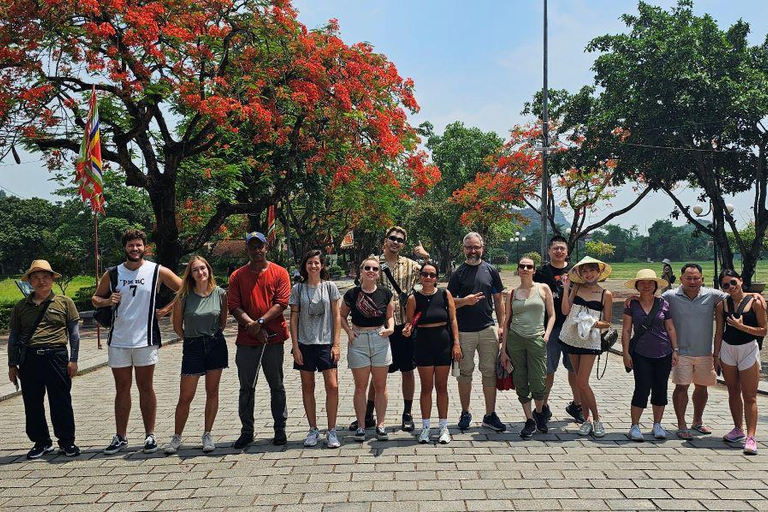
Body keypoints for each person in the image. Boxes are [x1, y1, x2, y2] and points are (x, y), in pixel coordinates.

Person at [93, 229, 181, 454]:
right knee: (122, 388)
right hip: (119, 339)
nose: (135, 249)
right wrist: (106, 301)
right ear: (125, 247)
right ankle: (120, 436)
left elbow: (184, 288)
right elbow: (95, 298)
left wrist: (166, 310)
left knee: (145, 387)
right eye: (131, 245)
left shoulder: (156, 270)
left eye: (139, 245)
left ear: (145, 247)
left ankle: (149, 435)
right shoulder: (113, 273)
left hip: (146, 338)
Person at [349, 226, 429, 432]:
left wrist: (426, 257)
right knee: (377, 374)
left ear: (404, 244)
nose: (396, 242)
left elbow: (430, 277)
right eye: (392, 238)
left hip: (404, 326)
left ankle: (407, 413)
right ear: (385, 240)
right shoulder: (374, 263)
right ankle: (368, 414)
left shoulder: (411, 265)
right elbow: (361, 288)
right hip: (380, 327)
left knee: (408, 370)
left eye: (400, 240)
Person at [8, 260, 81, 458]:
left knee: (61, 401)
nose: (41, 281)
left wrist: (73, 359)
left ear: (52, 279)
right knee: (32, 402)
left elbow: (74, 334)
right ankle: (41, 442)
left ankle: (67, 441)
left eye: (45, 277)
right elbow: (14, 337)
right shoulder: (21, 307)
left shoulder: (65, 302)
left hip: (56, 356)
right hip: (29, 358)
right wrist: (12, 364)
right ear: (30, 281)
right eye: (36, 278)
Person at [228, 231, 291, 448]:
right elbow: (234, 306)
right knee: (246, 387)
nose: (257, 250)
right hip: (247, 341)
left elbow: (281, 302)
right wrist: (252, 327)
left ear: (266, 247)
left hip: (273, 338)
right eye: (252, 246)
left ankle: (280, 429)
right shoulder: (237, 276)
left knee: (277, 385)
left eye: (260, 246)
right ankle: (247, 430)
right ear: (246, 248)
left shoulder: (280, 272)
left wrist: (260, 323)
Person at [163, 256, 228, 454]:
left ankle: (207, 434)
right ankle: (176, 437)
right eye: (195, 270)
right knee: (186, 396)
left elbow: (223, 321)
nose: (200, 273)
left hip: (215, 344)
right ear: (190, 274)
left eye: (203, 268)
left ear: (208, 270)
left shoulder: (220, 294)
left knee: (212, 392)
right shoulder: (184, 296)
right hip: (193, 346)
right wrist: (191, 339)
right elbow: (176, 326)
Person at [447, 232, 506, 432]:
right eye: (469, 247)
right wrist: (466, 300)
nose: (473, 251)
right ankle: (465, 412)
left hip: (488, 329)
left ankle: (490, 414)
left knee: (489, 373)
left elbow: (499, 300)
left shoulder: (491, 270)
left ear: (482, 248)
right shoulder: (458, 273)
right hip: (464, 332)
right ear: (463, 249)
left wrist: (501, 326)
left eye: (476, 247)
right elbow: (448, 302)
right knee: (465, 373)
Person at [402, 261, 461, 444]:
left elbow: (453, 320)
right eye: (425, 274)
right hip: (423, 345)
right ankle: (426, 427)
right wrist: (407, 329)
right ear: (420, 277)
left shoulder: (445, 294)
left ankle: (443, 427)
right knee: (426, 387)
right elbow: (409, 322)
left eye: (432, 275)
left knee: (442, 387)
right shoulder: (413, 298)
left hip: (443, 343)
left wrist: (456, 343)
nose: (428, 278)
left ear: (437, 277)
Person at [290, 250, 342, 449]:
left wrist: (336, 344)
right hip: (305, 342)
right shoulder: (298, 288)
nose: (313, 266)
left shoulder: (330, 287)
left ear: (322, 266)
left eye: (317, 263)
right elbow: (293, 318)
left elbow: (337, 316)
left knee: (333, 386)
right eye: (310, 262)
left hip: (326, 342)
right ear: (305, 266)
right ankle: (313, 428)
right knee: (307, 386)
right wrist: (295, 346)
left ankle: (332, 430)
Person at [621, 269, 679, 442]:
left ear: (655, 285)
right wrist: (625, 353)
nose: (646, 286)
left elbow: (670, 328)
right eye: (642, 282)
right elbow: (626, 330)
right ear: (637, 285)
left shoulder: (664, 304)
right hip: (640, 352)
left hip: (664, 351)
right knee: (642, 388)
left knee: (661, 388)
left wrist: (675, 349)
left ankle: (657, 424)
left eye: (650, 283)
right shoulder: (631, 305)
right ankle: (635, 425)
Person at [341, 256, 395, 442]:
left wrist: (391, 328)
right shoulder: (351, 294)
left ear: (378, 273)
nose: (371, 271)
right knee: (360, 387)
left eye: (374, 269)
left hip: (380, 339)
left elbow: (390, 316)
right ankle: (361, 426)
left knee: (380, 385)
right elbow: (341, 316)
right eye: (367, 268)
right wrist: (348, 331)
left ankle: (381, 425)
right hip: (359, 340)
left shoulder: (385, 293)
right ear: (361, 271)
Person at [500, 257, 555, 438]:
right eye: (522, 266)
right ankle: (529, 419)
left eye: (528, 266)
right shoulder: (512, 292)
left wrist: (546, 335)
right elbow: (507, 321)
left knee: (538, 379)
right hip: (516, 339)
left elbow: (552, 315)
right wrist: (503, 350)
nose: (525, 268)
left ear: (534, 270)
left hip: (536, 339)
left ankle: (539, 413)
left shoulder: (543, 288)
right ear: (518, 269)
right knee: (521, 380)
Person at [559, 256, 613, 438]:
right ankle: (586, 420)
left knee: (582, 381)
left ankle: (597, 419)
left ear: (599, 273)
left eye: (592, 271)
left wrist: (592, 322)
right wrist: (567, 288)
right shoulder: (577, 287)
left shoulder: (605, 294)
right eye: (585, 271)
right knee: (579, 382)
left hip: (590, 339)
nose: (589, 274)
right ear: (580, 274)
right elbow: (565, 311)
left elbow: (607, 322)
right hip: (571, 336)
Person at [714, 269, 766, 455]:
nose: (731, 287)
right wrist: (716, 356)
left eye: (733, 282)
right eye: (726, 285)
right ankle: (738, 428)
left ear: (741, 281)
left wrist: (740, 326)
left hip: (748, 349)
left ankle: (751, 437)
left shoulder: (756, 302)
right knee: (733, 391)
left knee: (750, 395)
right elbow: (719, 332)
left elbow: (763, 330)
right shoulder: (722, 305)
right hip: (728, 349)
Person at [533, 235, 584, 425]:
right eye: (555, 248)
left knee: (575, 370)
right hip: (550, 327)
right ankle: (543, 408)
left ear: (567, 251)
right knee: (548, 370)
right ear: (549, 251)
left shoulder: (575, 272)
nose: (559, 251)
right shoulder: (540, 273)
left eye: (562, 248)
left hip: (572, 326)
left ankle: (577, 405)